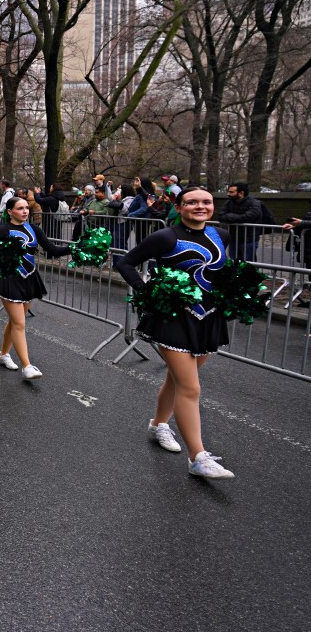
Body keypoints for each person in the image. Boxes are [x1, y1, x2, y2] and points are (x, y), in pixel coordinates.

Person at [116, 186, 236, 479]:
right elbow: (125, 263)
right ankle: (198, 457)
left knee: (178, 378)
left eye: (206, 202)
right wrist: (149, 295)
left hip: (208, 318)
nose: (200, 206)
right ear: (179, 207)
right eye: (192, 202)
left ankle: (159, 425)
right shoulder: (166, 236)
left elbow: (217, 272)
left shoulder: (222, 235)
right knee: (190, 387)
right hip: (172, 319)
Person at [0, 197, 71, 380]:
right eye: (20, 208)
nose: (25, 211)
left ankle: (3, 354)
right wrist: (6, 254)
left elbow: (53, 250)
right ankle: (27, 366)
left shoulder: (34, 229)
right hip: (9, 278)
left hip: (29, 277)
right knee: (19, 323)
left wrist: (76, 247)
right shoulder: (3, 230)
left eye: (26, 208)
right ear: (10, 211)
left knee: (15, 321)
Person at [220, 182, 262, 261]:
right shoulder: (229, 202)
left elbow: (248, 217)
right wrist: (234, 217)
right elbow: (220, 216)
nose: (228, 194)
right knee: (234, 261)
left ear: (241, 193)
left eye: (231, 192)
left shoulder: (254, 203)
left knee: (248, 263)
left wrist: (229, 216)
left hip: (249, 239)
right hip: (233, 238)